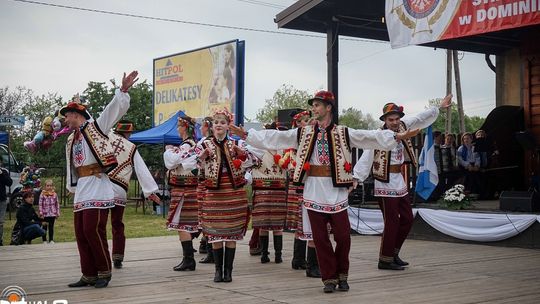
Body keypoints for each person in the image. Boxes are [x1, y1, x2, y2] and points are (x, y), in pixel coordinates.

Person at [230, 90, 417, 293]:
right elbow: (278, 138)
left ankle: (342, 274)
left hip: (336, 191)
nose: (314, 108)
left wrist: (397, 136)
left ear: (328, 108)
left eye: (318, 105)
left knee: (344, 237)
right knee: (320, 239)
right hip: (313, 190)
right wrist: (248, 135)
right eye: (313, 105)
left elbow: (368, 137)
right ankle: (329, 278)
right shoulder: (304, 133)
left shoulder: (343, 132)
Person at [353, 95, 452, 271]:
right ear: (384, 120)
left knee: (407, 219)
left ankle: (393, 253)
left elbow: (421, 117)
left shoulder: (404, 125)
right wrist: (356, 178)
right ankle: (384, 260)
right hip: (383, 183)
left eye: (397, 118)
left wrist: (439, 107)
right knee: (392, 221)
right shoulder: (378, 136)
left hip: (398, 181)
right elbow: (366, 157)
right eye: (391, 119)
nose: (395, 122)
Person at [63, 70, 138, 289]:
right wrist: (72, 186)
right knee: (80, 232)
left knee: (92, 230)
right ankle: (88, 274)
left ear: (76, 115)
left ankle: (104, 271)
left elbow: (112, 110)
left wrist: (122, 90)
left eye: (67, 115)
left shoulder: (96, 127)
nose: (65, 120)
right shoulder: (71, 138)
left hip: (97, 183)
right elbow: (73, 166)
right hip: (83, 187)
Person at [197, 109, 259, 283]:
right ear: (212, 125)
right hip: (214, 193)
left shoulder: (236, 143)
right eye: (216, 122)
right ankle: (218, 271)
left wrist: (243, 155)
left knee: (231, 233)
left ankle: (228, 271)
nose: (218, 125)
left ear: (228, 126)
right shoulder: (204, 144)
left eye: (222, 122)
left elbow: (253, 161)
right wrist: (202, 157)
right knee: (216, 232)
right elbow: (194, 164)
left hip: (233, 193)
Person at [108, 120, 161, 269]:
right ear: (127, 132)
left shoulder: (106, 136)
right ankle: (117, 257)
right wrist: (150, 192)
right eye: (130, 133)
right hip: (119, 189)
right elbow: (141, 170)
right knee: (117, 224)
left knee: (99, 224)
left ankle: (101, 256)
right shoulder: (131, 148)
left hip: (103, 187)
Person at [286, 110, 321, 278]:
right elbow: (287, 162)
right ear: (297, 124)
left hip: (310, 184)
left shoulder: (313, 139)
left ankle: (301, 259)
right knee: (302, 221)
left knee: (304, 222)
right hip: (299, 184)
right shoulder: (295, 143)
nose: (305, 123)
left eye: (308, 120)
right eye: (302, 121)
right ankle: (299, 259)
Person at [163, 115, 200, 271]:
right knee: (183, 224)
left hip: (185, 190)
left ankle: (189, 260)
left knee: (182, 224)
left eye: (179, 126)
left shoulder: (187, 145)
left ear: (184, 127)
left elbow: (172, 162)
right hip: (185, 190)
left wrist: (168, 151)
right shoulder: (189, 145)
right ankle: (188, 258)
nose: (177, 129)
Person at [249, 122, 288, 264]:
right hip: (275, 190)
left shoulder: (257, 149)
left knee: (264, 226)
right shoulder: (283, 149)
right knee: (275, 227)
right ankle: (277, 255)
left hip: (263, 191)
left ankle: (266, 254)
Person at [38, 179, 60, 244]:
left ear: (52, 186)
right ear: (45, 186)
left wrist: (57, 212)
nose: (49, 187)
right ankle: (44, 240)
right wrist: (41, 212)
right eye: (48, 186)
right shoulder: (42, 194)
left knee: (51, 227)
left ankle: (51, 240)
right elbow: (40, 204)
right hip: (45, 214)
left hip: (52, 213)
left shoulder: (54, 194)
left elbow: (57, 204)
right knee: (44, 227)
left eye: (50, 186)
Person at [0, 160, 13, 246]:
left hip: (2, 200)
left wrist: (1, 174)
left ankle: (0, 240)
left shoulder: (4, 172)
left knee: (0, 222)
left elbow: (9, 183)